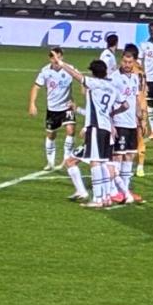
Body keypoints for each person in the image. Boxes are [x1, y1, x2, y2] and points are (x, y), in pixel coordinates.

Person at [57, 57, 129, 208]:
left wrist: (62, 64)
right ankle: (106, 198)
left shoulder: (94, 83)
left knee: (95, 162)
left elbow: (77, 76)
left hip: (95, 127)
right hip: (107, 129)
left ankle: (98, 199)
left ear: (93, 73)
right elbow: (126, 105)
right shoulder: (113, 87)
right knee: (102, 162)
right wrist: (111, 113)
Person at [28, 46, 77, 171]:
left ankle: (66, 159)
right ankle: (50, 162)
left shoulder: (69, 68)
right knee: (51, 135)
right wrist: (32, 104)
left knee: (70, 130)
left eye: (58, 57)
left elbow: (81, 78)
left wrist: (83, 89)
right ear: (49, 58)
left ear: (62, 57)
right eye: (53, 57)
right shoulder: (45, 71)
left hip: (67, 107)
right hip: (53, 108)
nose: (56, 59)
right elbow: (36, 87)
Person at [109, 45, 145, 204]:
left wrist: (140, 118)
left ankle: (125, 189)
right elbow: (108, 101)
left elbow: (136, 99)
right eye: (124, 61)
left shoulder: (135, 77)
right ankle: (113, 190)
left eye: (130, 62)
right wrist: (111, 123)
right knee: (117, 155)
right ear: (121, 60)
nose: (127, 65)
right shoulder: (114, 77)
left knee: (130, 155)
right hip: (119, 122)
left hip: (131, 123)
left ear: (134, 62)